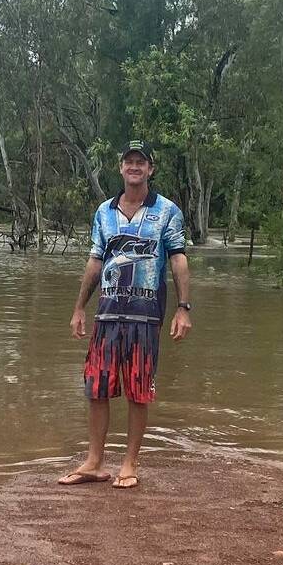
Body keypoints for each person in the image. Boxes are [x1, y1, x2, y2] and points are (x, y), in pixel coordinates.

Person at [59, 139, 192, 490]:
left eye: (141, 162)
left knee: (138, 391)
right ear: (120, 167)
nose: (135, 167)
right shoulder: (104, 212)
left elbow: (178, 258)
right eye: (129, 161)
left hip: (146, 316)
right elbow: (94, 261)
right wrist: (78, 308)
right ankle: (94, 462)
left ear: (150, 169)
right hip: (106, 315)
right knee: (96, 388)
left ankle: (130, 464)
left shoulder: (167, 211)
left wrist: (183, 307)